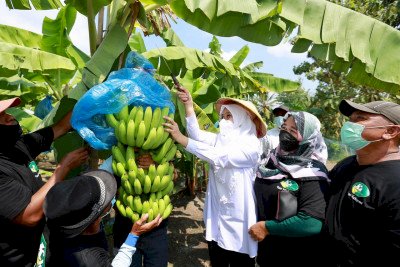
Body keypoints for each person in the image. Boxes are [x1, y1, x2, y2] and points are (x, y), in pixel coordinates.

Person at [163, 86, 267, 266]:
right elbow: (197, 135)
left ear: (242, 119)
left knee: (239, 258)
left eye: (229, 116)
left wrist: (181, 138)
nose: (224, 121)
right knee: (217, 255)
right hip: (218, 211)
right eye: (223, 117)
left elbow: (220, 157)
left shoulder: (251, 147)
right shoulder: (222, 140)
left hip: (239, 216)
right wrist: (188, 105)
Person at [0, 97, 89, 266]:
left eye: (7, 112)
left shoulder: (18, 146)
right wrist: (63, 168)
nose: (10, 117)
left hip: (41, 249)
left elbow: (61, 127)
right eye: (2, 117)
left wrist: (91, 100)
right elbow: (29, 215)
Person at [324, 100, 400, 266]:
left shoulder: (395, 182)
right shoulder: (346, 164)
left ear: (391, 131)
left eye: (360, 119)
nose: (349, 125)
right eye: (350, 119)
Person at [249, 111, 330, 267]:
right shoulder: (272, 160)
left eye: (293, 131)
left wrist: (267, 227)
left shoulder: (313, 172)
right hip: (267, 249)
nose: (285, 133)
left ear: (308, 137)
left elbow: (311, 222)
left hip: (294, 254)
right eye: (284, 127)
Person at [44, 169, 162, 266]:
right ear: (95, 220)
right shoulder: (89, 260)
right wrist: (133, 235)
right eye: (107, 203)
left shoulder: (58, 220)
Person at [112, 153, 170, 267]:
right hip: (126, 226)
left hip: (156, 228)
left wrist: (156, 167)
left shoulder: (159, 150)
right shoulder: (119, 154)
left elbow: (173, 175)